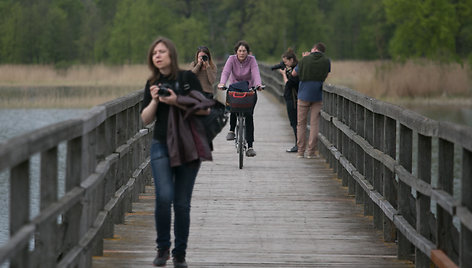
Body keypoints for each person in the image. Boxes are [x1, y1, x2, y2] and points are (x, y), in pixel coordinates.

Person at [141, 37, 213, 268]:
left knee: (181, 203)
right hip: (161, 144)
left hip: (187, 146)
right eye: (154, 53)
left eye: (161, 51)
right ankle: (163, 249)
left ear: (171, 54)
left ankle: (179, 253)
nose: (157, 56)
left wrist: (176, 100)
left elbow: (204, 109)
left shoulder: (187, 78)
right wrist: (154, 100)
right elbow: (145, 118)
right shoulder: (152, 82)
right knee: (163, 197)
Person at [217, 40, 263, 157]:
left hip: (249, 88)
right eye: (240, 51)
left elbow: (256, 73)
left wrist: (258, 84)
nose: (242, 53)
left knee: (249, 116)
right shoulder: (231, 59)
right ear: (236, 52)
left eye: (244, 51)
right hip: (235, 88)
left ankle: (250, 146)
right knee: (233, 106)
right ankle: (232, 130)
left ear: (248, 52)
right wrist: (222, 83)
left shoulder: (252, 60)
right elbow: (226, 72)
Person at [292, 42, 331, 159]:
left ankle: (300, 151)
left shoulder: (305, 60)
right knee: (314, 124)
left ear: (314, 49)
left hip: (303, 94)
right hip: (317, 94)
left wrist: (303, 60)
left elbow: (294, 73)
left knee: (301, 123)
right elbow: (326, 74)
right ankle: (311, 151)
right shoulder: (326, 60)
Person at [276, 48, 299, 153]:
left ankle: (297, 145)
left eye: (286, 62)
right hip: (292, 99)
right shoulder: (294, 69)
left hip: (293, 100)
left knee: (294, 122)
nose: (285, 64)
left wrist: (284, 75)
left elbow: (288, 83)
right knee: (295, 123)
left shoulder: (296, 71)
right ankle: (298, 144)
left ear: (292, 60)